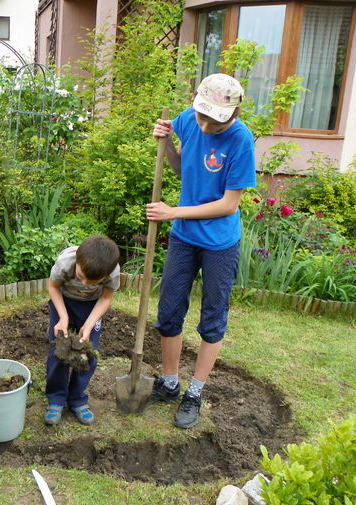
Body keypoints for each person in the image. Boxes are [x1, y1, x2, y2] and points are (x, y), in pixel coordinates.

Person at [146, 73, 256, 428]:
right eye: (201, 116)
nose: (205, 126)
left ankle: (195, 391)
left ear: (233, 113)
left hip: (219, 242)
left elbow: (227, 204)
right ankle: (169, 382)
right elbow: (183, 170)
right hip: (184, 237)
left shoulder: (241, 140)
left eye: (214, 120)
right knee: (169, 311)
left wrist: (173, 212)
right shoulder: (188, 119)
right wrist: (165, 144)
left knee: (212, 318)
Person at [44, 235, 121, 426]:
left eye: (93, 282)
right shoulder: (65, 262)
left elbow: (105, 298)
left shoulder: (112, 272)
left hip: (91, 308)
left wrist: (89, 324)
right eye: (81, 277)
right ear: (77, 261)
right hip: (64, 304)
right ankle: (56, 398)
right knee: (59, 350)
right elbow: (53, 287)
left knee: (89, 352)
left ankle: (77, 398)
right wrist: (63, 317)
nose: (85, 284)